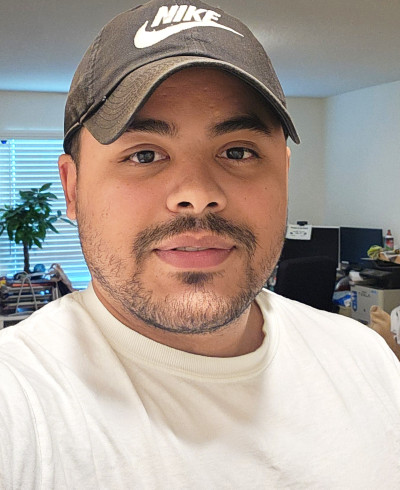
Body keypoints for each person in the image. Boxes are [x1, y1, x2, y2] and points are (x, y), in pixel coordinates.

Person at [1, 0, 400, 487]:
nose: (197, 194)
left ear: (284, 175)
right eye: (144, 155)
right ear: (73, 189)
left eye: (238, 151)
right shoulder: (18, 401)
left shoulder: (368, 360)